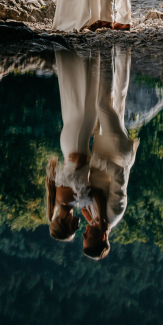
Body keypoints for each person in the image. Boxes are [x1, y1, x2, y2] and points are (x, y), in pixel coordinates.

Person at [83, 47, 138, 261]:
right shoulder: (114, 213)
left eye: (84, 236)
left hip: (101, 149)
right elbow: (119, 175)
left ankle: (122, 52)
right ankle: (105, 49)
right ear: (102, 237)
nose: (85, 232)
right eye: (89, 237)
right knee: (103, 104)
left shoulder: (94, 218)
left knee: (118, 102)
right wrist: (91, 160)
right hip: (116, 152)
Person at [45, 51, 100, 241]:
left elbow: (94, 187)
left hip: (76, 144)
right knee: (81, 99)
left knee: (86, 98)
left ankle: (85, 52)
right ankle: (79, 53)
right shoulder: (66, 201)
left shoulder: (69, 200)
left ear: (64, 224)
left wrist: (89, 160)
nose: (77, 229)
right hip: (70, 143)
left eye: (72, 230)